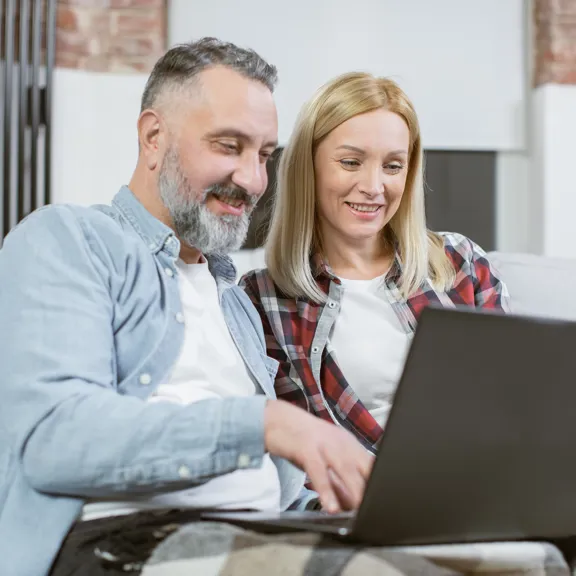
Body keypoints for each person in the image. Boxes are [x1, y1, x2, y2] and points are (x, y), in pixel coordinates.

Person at [0, 39, 374, 576]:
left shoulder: (235, 302)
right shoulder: (69, 241)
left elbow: (272, 484)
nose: (253, 179)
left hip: (257, 531)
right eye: (229, 146)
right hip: (124, 535)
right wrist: (265, 422)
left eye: (264, 155)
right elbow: (54, 439)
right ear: (154, 137)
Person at [240, 72, 510, 453]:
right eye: (351, 162)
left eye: (393, 166)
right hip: (348, 504)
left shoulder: (461, 265)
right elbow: (278, 450)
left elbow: (513, 402)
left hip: (473, 488)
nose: (373, 186)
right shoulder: (261, 300)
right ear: (308, 166)